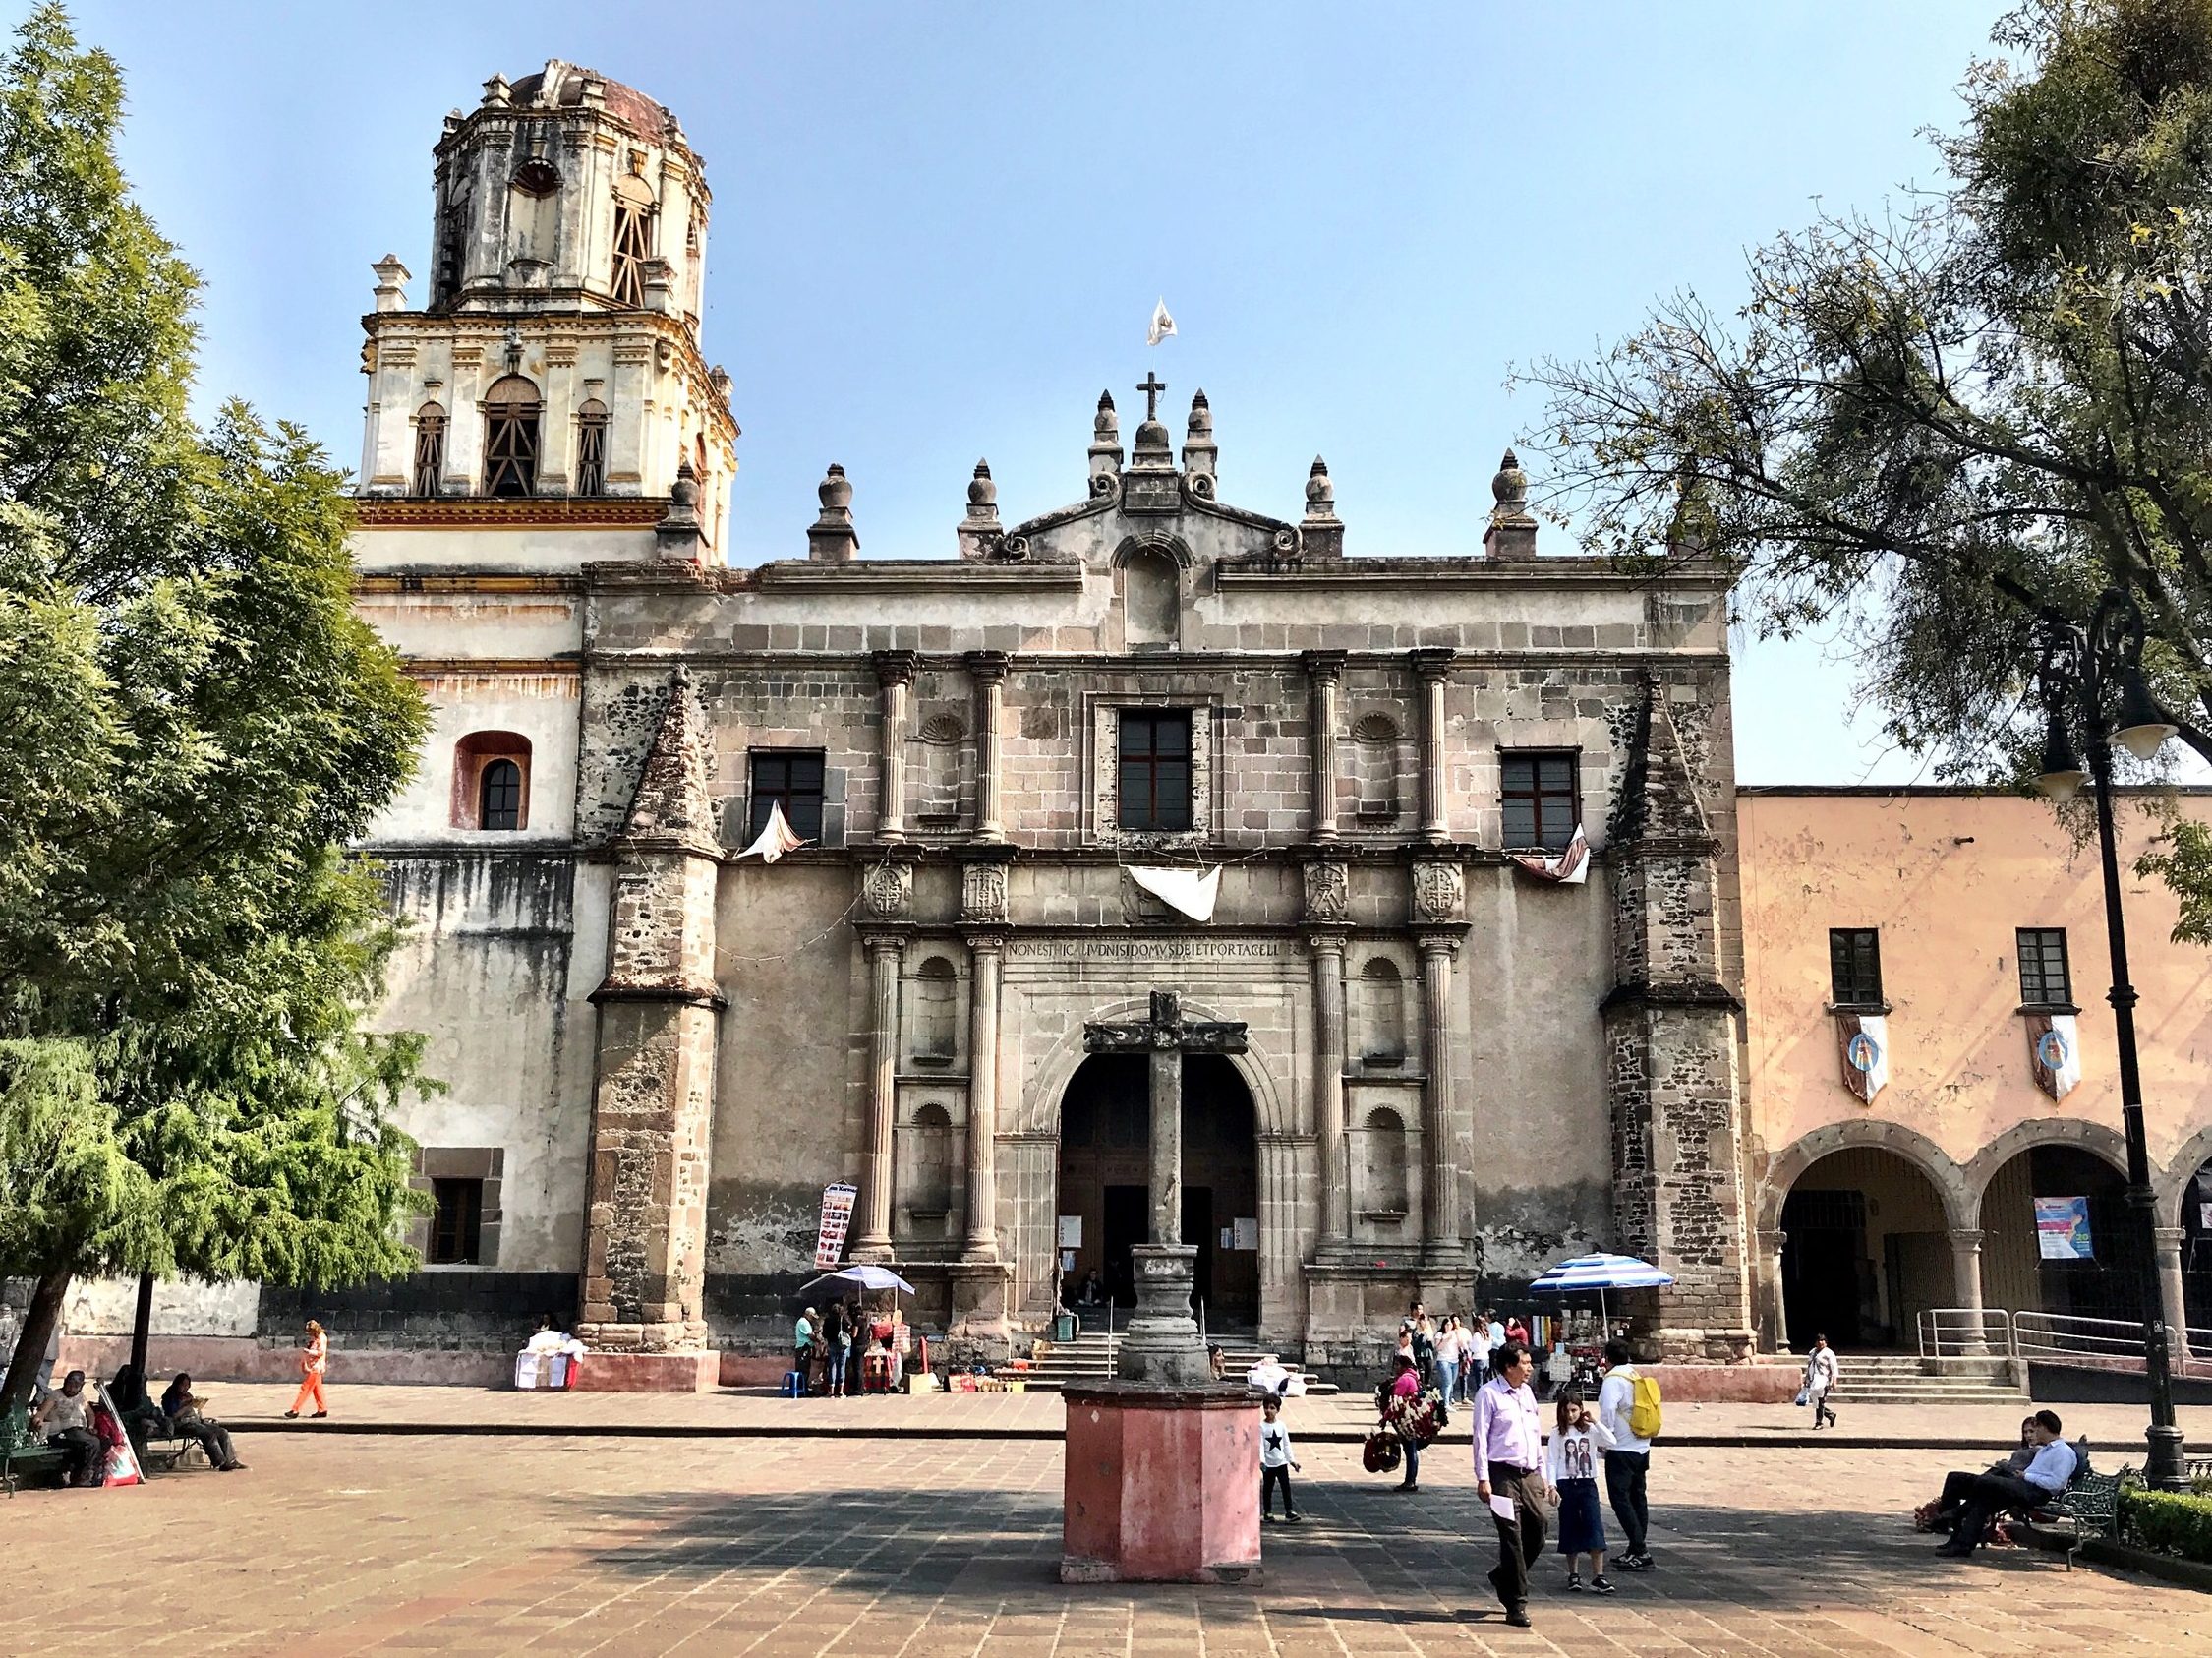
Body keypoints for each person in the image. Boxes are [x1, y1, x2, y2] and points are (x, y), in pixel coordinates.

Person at [1473, 1341, 1549, 1628]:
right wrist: (1483, 1477)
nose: (1529, 1368)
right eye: (1525, 1363)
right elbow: (1480, 1437)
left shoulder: (1527, 1393)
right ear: (1509, 1366)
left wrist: (1542, 1473)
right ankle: (1516, 1602)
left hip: (1528, 1473)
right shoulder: (1489, 1394)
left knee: (1539, 1529)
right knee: (1511, 1536)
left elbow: (1535, 1434)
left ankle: (1503, 1575)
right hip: (1501, 1473)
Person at [1936, 1410, 2079, 1558]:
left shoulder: (2063, 1452)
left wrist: (2027, 1476)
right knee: (1957, 1479)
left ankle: (1956, 1513)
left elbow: (2056, 1483)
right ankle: (1960, 1541)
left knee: (1987, 1481)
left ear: (2043, 1427)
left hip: (2035, 1492)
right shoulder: (2045, 1450)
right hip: (2021, 1485)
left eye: (2036, 1428)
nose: (2034, 1432)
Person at [1544, 1389, 1617, 1592]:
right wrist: (1552, 1486)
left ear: (1581, 1410)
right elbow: (1552, 1461)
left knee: (1594, 1526)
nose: (1570, 1415)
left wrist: (1595, 1422)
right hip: (1566, 1484)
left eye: (1574, 1410)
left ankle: (1598, 1575)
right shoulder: (1556, 1433)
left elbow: (1611, 1441)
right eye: (1566, 1411)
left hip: (1586, 1483)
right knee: (1570, 1528)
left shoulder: (1590, 1432)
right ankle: (1573, 1574)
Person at [1917, 1416, 2040, 1533]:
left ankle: (1947, 1520)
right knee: (1953, 1480)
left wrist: (2004, 1465)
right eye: (2025, 1432)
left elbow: (2021, 1472)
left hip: (2004, 1485)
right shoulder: (2026, 1449)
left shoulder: (2040, 1451)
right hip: (1995, 1478)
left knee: (1955, 1479)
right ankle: (1948, 1521)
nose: (2028, 1435)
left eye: (2032, 1431)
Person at [1596, 1338, 1655, 1570]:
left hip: (1621, 1448)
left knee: (1620, 1499)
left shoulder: (1613, 1380)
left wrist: (1604, 1438)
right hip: (1642, 1445)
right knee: (1638, 1497)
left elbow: (1608, 1410)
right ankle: (1635, 1547)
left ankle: (1640, 1550)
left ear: (1607, 1359)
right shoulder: (1634, 1374)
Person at [159, 1374, 246, 1472]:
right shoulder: (170, 1397)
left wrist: (197, 1405)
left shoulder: (187, 1395)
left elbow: (194, 1411)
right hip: (182, 1424)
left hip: (195, 1421)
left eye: (187, 1385)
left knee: (222, 1432)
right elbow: (174, 1416)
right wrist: (187, 1406)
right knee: (208, 1434)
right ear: (177, 1384)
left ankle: (231, 1460)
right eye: (183, 1385)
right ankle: (221, 1462)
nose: (185, 1387)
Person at [31, 1369, 101, 1487]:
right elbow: (41, 1413)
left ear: (82, 1385)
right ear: (64, 1382)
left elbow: (90, 1414)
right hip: (61, 1433)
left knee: (96, 1442)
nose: (71, 1389)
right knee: (93, 1443)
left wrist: (91, 1426)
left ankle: (82, 1474)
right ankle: (82, 1477)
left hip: (78, 1433)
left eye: (76, 1386)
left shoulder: (81, 1398)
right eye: (69, 1385)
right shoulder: (55, 1396)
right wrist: (38, 1421)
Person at [1382, 1354, 1425, 1492]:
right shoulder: (1413, 1377)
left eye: (1397, 1365)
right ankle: (1411, 1479)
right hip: (1414, 1417)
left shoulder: (1403, 1380)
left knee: (1409, 1449)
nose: (1395, 1368)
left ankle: (1409, 1481)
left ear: (1404, 1366)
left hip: (1406, 1420)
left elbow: (1395, 1402)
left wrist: (1385, 1418)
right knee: (1412, 1450)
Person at [1259, 1393, 1303, 1523]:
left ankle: (1289, 1511)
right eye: (1266, 1408)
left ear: (1278, 1410)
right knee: (1268, 1488)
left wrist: (1292, 1461)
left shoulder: (1281, 1426)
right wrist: (1262, 1461)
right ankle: (1268, 1512)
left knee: (1285, 1487)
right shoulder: (1261, 1426)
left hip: (1281, 1462)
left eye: (1272, 1408)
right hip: (1269, 1464)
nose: (1268, 1411)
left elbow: (1286, 1444)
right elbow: (1260, 1445)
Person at [285, 1320, 329, 1419]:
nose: (309, 1334)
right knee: (317, 1389)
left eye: (309, 1332)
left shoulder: (321, 1338)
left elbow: (320, 1353)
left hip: (316, 1367)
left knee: (305, 1388)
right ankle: (322, 1409)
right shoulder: (317, 1337)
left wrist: (308, 1352)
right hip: (315, 1366)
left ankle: (295, 1409)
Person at [1803, 1333, 1839, 1430]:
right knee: (1816, 1402)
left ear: (1826, 1342)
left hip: (1823, 1380)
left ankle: (1819, 1422)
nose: (1820, 1343)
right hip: (1814, 1380)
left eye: (1822, 1340)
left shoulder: (1829, 1353)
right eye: (1818, 1341)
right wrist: (1806, 1378)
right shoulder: (1812, 1352)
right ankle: (1830, 1415)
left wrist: (1834, 1381)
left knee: (1820, 1400)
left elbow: (1834, 1367)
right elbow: (1810, 1366)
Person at [821, 1300, 850, 1399]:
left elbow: (824, 1334)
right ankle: (841, 1391)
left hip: (831, 1345)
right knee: (841, 1367)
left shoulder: (827, 1320)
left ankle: (831, 1391)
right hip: (842, 1346)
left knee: (832, 1366)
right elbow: (848, 1331)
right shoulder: (843, 1320)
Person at [1435, 1317, 1467, 1406]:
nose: (1449, 1326)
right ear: (1444, 1325)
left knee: (1451, 1382)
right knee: (1447, 1382)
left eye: (1450, 1324)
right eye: (1447, 1324)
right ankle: (1445, 1404)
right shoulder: (1440, 1334)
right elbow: (1438, 1348)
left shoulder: (1455, 1334)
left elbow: (1461, 1345)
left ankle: (1446, 1400)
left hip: (1454, 1360)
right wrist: (1446, 1339)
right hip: (1444, 1360)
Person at [793, 1306, 816, 1387]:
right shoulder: (804, 1322)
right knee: (803, 1369)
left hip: (804, 1348)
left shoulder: (804, 1322)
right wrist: (817, 1338)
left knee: (804, 1368)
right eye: (812, 1317)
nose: (812, 1319)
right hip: (803, 1348)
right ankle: (802, 1387)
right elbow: (811, 1336)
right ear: (808, 1315)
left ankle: (802, 1387)